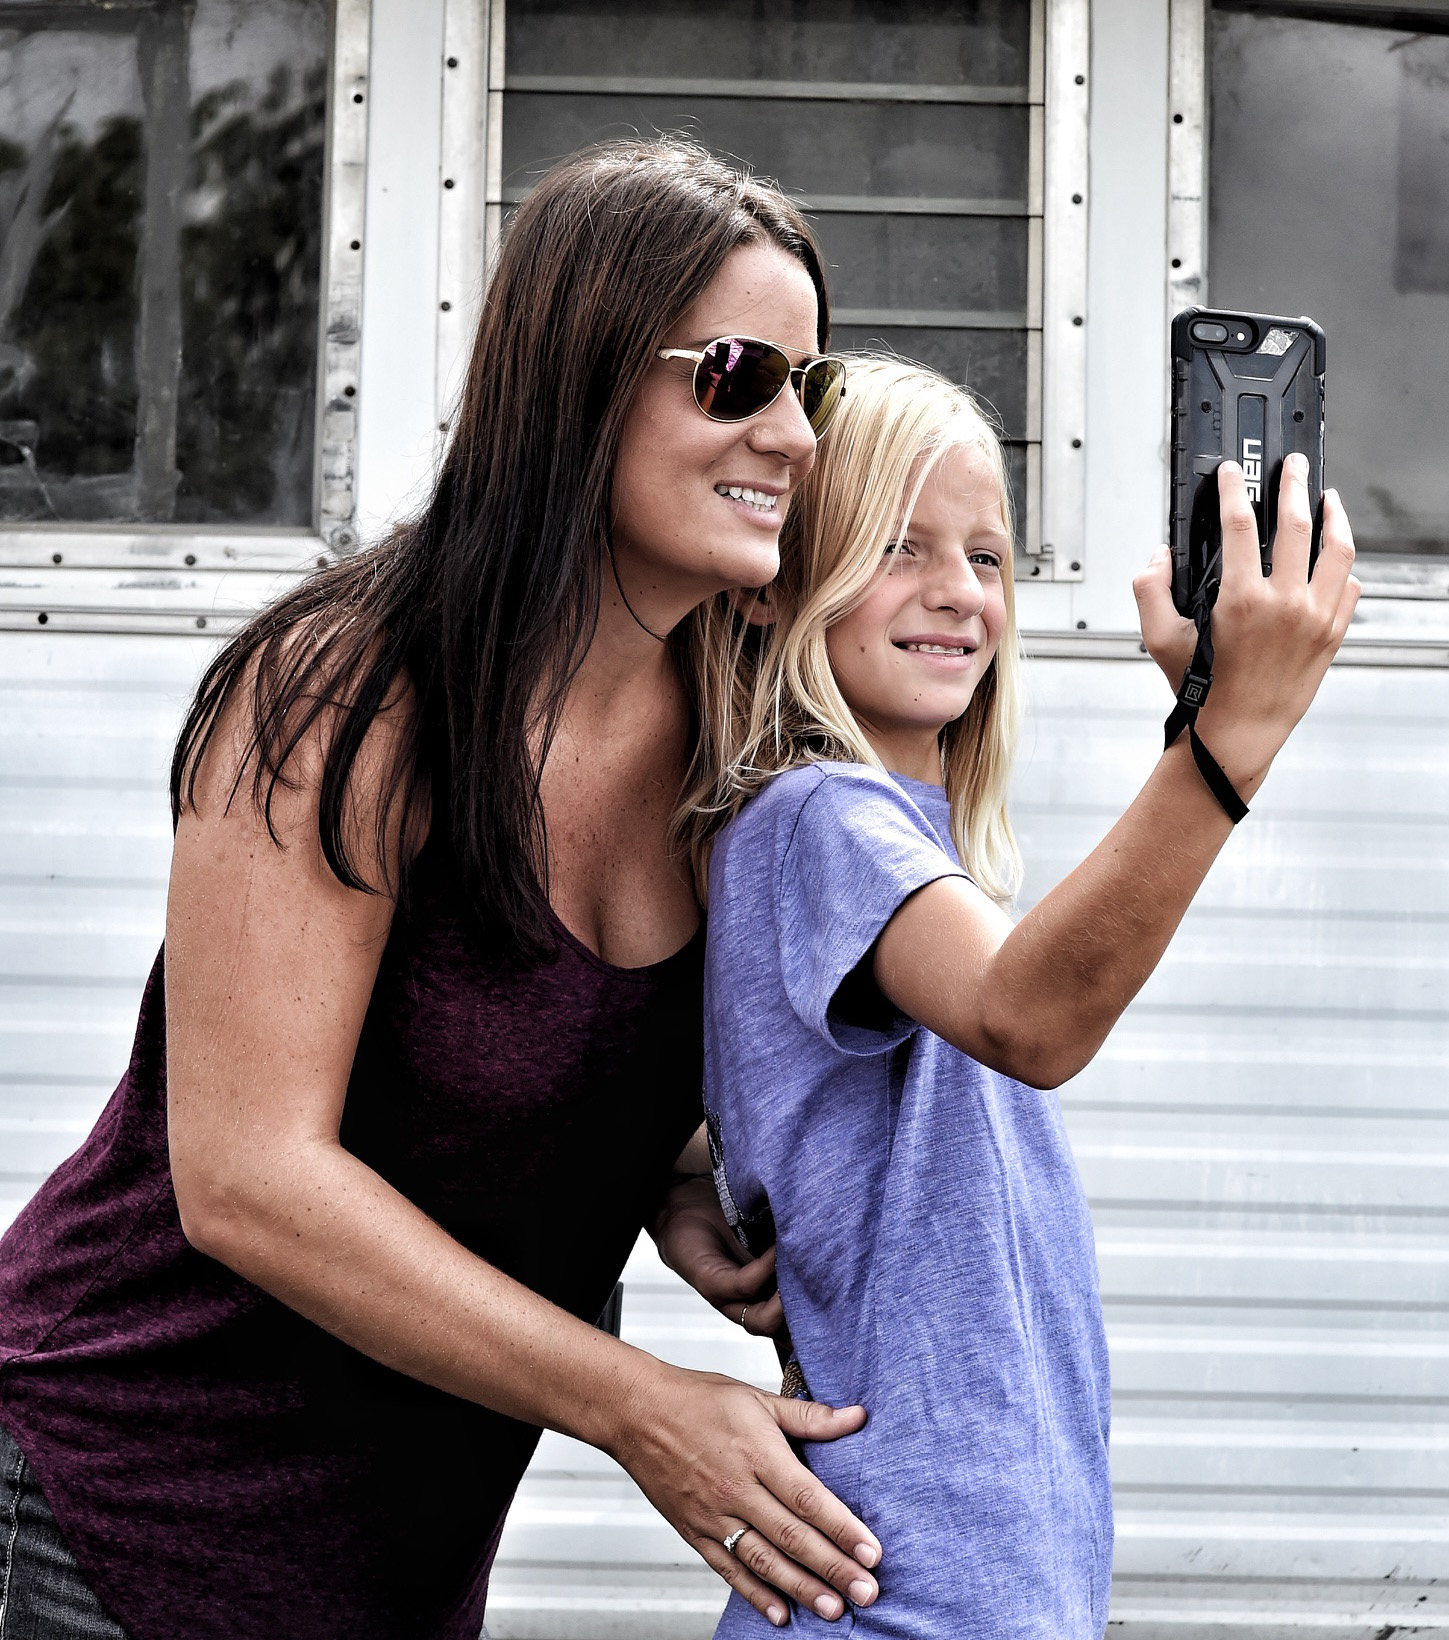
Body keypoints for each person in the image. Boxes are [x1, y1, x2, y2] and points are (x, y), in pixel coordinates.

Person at [0, 139, 888, 1640]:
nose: (793, 437)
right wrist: (639, 1403)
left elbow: (517, 1066)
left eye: (815, 387)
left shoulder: (742, 745)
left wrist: (664, 1174)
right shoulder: (353, 691)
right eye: (738, 376)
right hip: (98, 1519)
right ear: (575, 385)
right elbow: (249, 1176)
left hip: (386, 1581)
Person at [688, 359, 1359, 1636]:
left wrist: (1207, 722)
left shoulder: (893, 843)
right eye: (898, 545)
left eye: (987, 556)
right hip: (901, 1594)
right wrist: (1226, 740)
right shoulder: (816, 816)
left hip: (986, 1583)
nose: (957, 589)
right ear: (774, 584)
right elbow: (1030, 1015)